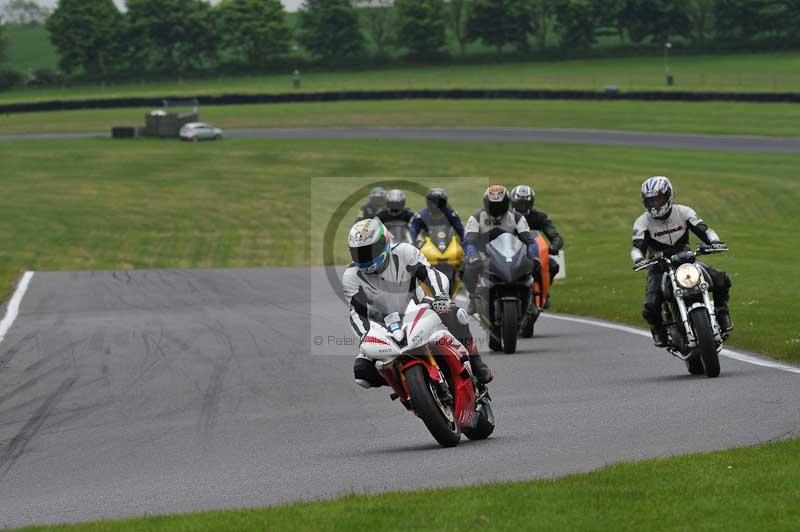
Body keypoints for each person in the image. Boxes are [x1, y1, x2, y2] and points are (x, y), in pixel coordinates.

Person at [343, 218, 493, 387]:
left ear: (384, 243)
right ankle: (405, 387)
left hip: (419, 306)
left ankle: (475, 361)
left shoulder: (404, 252)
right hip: (381, 325)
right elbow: (356, 312)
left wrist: (440, 297)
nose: (365, 258)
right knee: (362, 373)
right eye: (359, 253)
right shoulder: (351, 276)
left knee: (456, 315)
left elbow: (430, 274)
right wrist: (364, 335)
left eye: (370, 251)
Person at [632, 176, 732, 347]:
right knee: (650, 304)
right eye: (651, 201)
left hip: (686, 260)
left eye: (658, 199)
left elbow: (704, 229)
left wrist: (714, 241)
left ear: (668, 196)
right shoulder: (642, 222)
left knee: (721, 278)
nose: (655, 204)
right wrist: (639, 259)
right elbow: (637, 246)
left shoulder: (684, 212)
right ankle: (659, 330)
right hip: (660, 265)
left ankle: (721, 311)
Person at [462, 185, 538, 314]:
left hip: (511, 254)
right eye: (492, 205)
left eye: (499, 205)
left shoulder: (517, 217)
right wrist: (473, 256)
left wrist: (534, 256)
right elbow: (469, 241)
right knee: (468, 268)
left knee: (535, 266)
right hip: (485, 255)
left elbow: (529, 240)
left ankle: (530, 299)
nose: (496, 209)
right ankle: (473, 297)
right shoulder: (476, 217)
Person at [510, 185, 564, 307]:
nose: (522, 206)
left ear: (531, 203)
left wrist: (554, 247)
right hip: (509, 252)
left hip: (533, 253)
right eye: (520, 203)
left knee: (553, 266)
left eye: (526, 203)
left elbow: (555, 235)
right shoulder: (506, 216)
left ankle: (545, 293)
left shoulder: (540, 217)